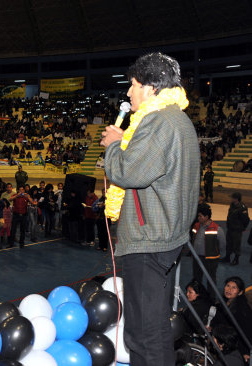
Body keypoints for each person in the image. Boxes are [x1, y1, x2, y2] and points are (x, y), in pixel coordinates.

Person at [100, 52, 200, 365]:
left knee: (144, 336)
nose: (128, 93)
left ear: (151, 87)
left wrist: (115, 144)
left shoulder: (159, 122)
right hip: (163, 238)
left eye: (133, 85)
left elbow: (128, 172)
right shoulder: (176, 119)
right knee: (150, 330)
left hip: (149, 241)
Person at [210, 276, 252, 363]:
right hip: (225, 343)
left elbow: (246, 332)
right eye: (228, 286)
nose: (229, 290)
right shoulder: (224, 303)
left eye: (234, 288)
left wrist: (245, 352)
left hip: (237, 348)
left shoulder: (242, 310)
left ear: (240, 292)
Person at [191, 204, 225, 296]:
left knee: (210, 280)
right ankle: (198, 297)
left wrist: (214, 252)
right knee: (197, 279)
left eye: (200, 216)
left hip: (210, 259)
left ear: (206, 217)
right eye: (198, 216)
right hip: (197, 258)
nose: (198, 218)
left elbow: (222, 245)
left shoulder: (217, 229)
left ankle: (211, 299)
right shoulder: (196, 226)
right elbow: (193, 239)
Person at [224, 192, 249, 266]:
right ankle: (227, 257)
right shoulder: (232, 205)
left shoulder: (242, 207)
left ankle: (236, 259)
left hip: (237, 229)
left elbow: (246, 220)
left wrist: (242, 228)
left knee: (236, 245)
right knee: (229, 243)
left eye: (232, 197)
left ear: (236, 199)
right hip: (230, 228)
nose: (231, 199)